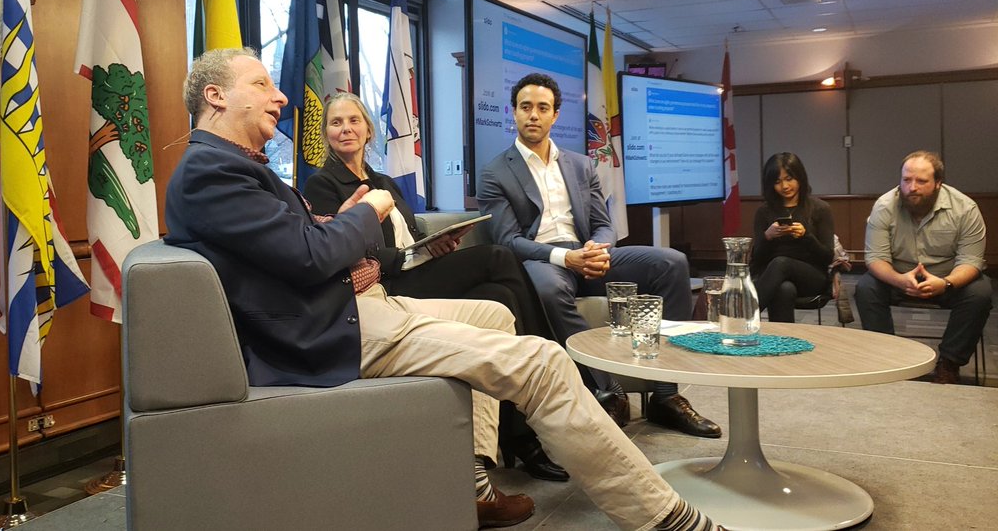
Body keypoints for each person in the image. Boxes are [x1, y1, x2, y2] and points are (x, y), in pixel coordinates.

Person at [165, 48, 724, 531]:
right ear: (215, 96)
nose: (281, 96)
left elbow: (294, 247)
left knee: (495, 314)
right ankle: (663, 517)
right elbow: (312, 254)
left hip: (346, 302)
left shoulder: (230, 168)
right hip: (331, 328)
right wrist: (368, 213)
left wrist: (345, 230)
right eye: (261, 84)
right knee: (544, 361)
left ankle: (475, 477)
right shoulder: (210, 171)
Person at [304, 92, 570, 481]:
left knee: (501, 297)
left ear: (368, 129)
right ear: (326, 134)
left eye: (353, 121)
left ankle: (519, 435)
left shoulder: (384, 182)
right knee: (497, 257)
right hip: (385, 284)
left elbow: (407, 235)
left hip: (414, 267)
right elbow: (345, 249)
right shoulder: (322, 185)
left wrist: (436, 246)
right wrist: (408, 256)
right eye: (336, 122)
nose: (346, 129)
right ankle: (556, 373)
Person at [478, 73, 720, 439]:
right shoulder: (495, 171)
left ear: (555, 115)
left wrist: (597, 249)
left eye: (542, 108)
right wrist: (565, 258)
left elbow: (603, 225)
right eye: (525, 107)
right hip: (543, 261)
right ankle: (609, 389)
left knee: (672, 262)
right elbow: (508, 240)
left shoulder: (580, 164)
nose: (533, 115)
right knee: (547, 290)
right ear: (513, 112)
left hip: (588, 254)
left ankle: (665, 395)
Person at [855, 150, 991, 384]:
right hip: (898, 277)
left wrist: (946, 283)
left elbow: (971, 261)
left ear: (938, 183)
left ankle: (949, 363)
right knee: (866, 287)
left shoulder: (965, 209)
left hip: (947, 280)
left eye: (921, 181)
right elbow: (876, 258)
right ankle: (887, 359)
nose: (912, 188)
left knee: (980, 292)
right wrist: (899, 279)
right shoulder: (884, 206)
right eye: (906, 180)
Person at [750, 152, 836, 323]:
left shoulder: (820, 208)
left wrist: (806, 236)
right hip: (773, 278)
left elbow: (827, 257)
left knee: (782, 262)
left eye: (789, 178)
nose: (785, 186)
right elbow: (756, 261)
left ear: (800, 177)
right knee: (784, 288)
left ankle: (744, 316)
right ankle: (782, 342)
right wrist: (767, 237)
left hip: (812, 277)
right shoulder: (764, 212)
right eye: (777, 181)